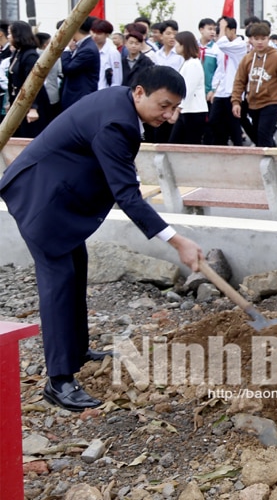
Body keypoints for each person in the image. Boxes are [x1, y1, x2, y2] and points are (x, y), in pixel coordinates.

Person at [0, 66, 203, 410]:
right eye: (164, 106)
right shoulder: (117, 124)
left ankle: (77, 350)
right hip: (42, 198)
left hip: (58, 192)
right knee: (59, 282)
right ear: (140, 92)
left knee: (76, 266)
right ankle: (59, 380)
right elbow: (127, 196)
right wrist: (177, 241)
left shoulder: (121, 104)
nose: (169, 116)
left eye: (175, 109)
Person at [231, 22, 277, 147]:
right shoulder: (247, 58)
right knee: (259, 136)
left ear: (268, 39)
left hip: (272, 102)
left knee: (263, 134)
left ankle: (267, 162)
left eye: (263, 38)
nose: (260, 42)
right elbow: (239, 81)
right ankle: (273, 156)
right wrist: (236, 101)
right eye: (256, 39)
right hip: (253, 103)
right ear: (251, 40)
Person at [5, 20, 52, 138]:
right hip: (20, 102)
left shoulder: (30, 55)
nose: (8, 36)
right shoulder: (18, 53)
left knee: (31, 136)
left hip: (32, 104)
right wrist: (11, 102)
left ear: (18, 35)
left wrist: (33, 108)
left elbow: (34, 83)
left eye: (10, 34)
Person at [208, 16, 247, 146]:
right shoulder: (221, 47)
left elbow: (222, 44)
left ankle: (239, 150)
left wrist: (223, 27)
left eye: (223, 29)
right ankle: (221, 145)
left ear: (232, 30)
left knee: (234, 124)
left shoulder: (240, 44)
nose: (219, 32)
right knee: (214, 121)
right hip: (221, 91)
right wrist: (214, 89)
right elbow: (220, 69)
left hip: (233, 91)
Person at [169, 31, 208, 144]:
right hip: (187, 110)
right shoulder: (188, 63)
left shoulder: (193, 64)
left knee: (190, 144)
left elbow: (188, 91)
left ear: (183, 45)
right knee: (175, 143)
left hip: (194, 111)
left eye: (177, 43)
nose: (175, 46)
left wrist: (177, 110)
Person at [60, 15, 100, 111]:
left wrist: (66, 50)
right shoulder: (82, 46)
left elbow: (68, 68)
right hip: (75, 96)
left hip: (79, 97)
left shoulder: (88, 49)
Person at [91, 19, 122, 90]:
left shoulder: (113, 52)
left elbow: (117, 79)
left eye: (99, 33)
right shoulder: (90, 50)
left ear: (107, 35)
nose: (95, 36)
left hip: (104, 92)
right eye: (93, 32)